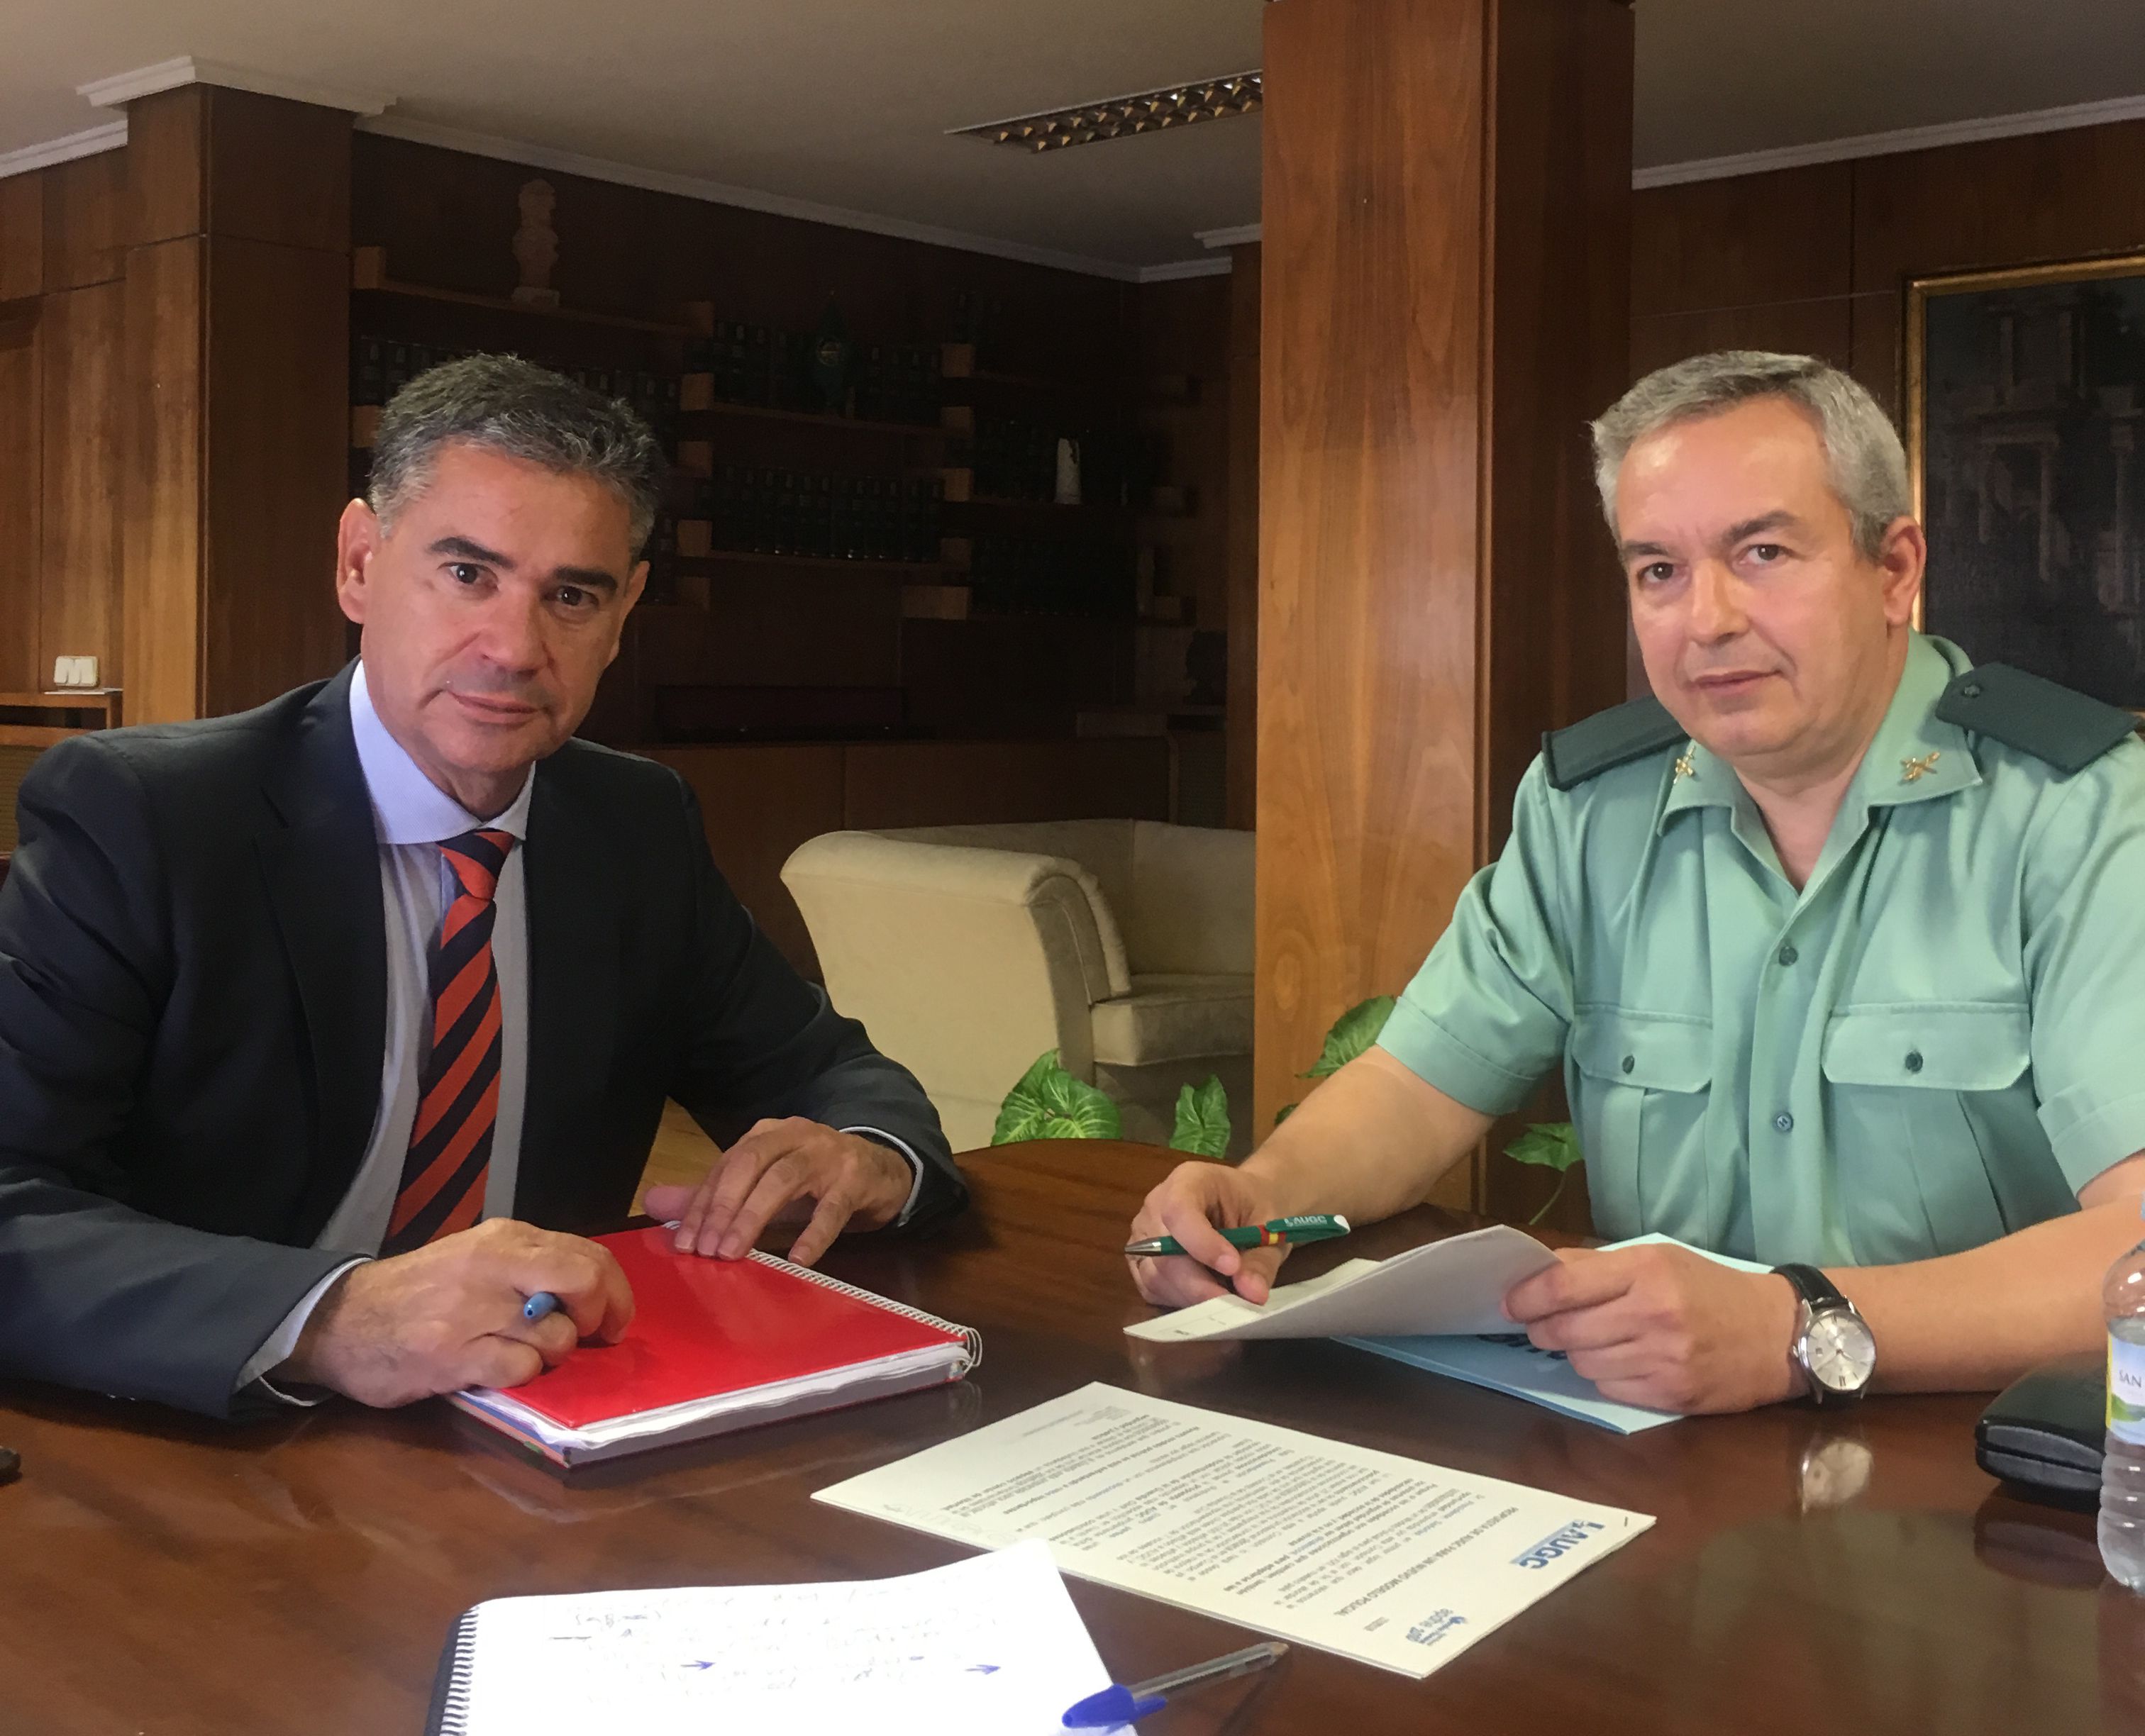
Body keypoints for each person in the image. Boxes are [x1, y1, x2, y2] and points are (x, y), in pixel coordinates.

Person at [1129, 350, 2145, 1415]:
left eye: (1761, 552)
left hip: (1982, 1475)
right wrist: (1260, 1194)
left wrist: (1799, 1326)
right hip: (1653, 1453)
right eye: (1658, 570)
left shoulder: (2078, 812)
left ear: (1894, 569)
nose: (1704, 619)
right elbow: (1416, 1087)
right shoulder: (1589, 812)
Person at [0, 356, 966, 1420]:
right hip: (211, 1440)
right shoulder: (146, 819)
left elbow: (835, 1075)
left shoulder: (634, 826)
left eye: (571, 595)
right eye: (468, 574)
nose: (514, 647)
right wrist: (331, 1316)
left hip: (534, 1433)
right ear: (360, 562)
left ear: (625, 610)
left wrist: (866, 1157)